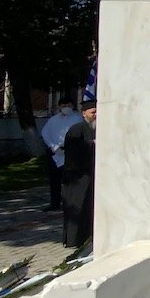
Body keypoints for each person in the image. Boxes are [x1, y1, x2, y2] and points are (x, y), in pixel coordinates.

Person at [62, 102, 97, 248]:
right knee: (78, 207)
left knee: (90, 207)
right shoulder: (76, 129)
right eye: (92, 112)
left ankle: (88, 236)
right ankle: (74, 240)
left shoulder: (96, 129)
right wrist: (91, 144)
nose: (95, 115)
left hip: (91, 175)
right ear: (84, 113)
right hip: (78, 177)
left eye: (96, 112)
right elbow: (73, 151)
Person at [40, 96, 82, 212]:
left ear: (72, 106)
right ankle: (54, 203)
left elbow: (80, 135)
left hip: (71, 151)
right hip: (55, 151)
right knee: (54, 179)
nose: (66, 108)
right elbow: (45, 133)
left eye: (68, 106)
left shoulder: (77, 119)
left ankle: (71, 202)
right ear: (59, 107)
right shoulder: (53, 120)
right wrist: (53, 147)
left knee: (71, 180)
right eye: (63, 106)